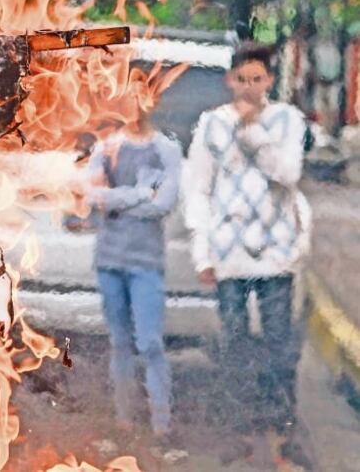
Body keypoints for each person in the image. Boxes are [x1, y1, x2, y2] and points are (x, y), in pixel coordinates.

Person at [185, 42, 311, 466]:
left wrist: (254, 130)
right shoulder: (210, 124)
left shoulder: (287, 120)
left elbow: (289, 173)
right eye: (242, 79)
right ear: (230, 81)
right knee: (234, 343)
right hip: (227, 254)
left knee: (279, 343)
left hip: (277, 254)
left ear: (270, 81)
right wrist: (202, 254)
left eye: (258, 79)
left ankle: (284, 426)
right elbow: (198, 189)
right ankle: (237, 428)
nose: (250, 87)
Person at [87, 103, 182, 449]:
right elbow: (94, 196)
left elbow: (164, 204)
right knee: (120, 343)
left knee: (151, 343)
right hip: (110, 260)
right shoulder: (106, 147)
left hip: (146, 263)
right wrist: (141, 192)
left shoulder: (166, 150)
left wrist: (119, 201)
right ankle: (123, 419)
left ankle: (161, 422)